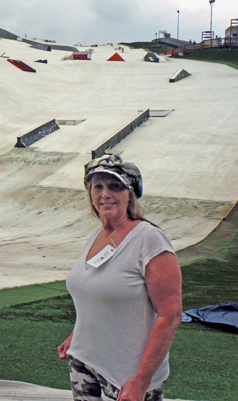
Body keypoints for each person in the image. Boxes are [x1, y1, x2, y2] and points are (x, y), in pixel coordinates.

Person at [57, 155, 182, 401]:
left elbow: (171, 314)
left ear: (130, 194)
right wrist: (76, 335)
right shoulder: (97, 235)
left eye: (115, 186)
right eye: (98, 187)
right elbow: (93, 291)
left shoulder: (149, 240)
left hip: (127, 375)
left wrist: (141, 381)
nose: (105, 194)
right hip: (84, 360)